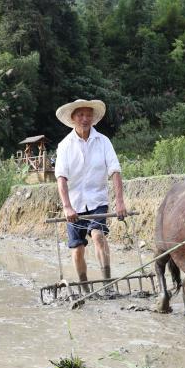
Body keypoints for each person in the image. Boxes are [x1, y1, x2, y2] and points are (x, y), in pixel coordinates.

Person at [54, 99, 127, 290]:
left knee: (98, 236)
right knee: (77, 249)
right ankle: (85, 288)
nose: (85, 119)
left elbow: (115, 171)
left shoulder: (103, 142)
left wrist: (120, 202)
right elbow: (61, 178)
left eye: (88, 115)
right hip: (75, 204)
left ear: (93, 118)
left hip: (97, 200)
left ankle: (107, 283)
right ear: (73, 118)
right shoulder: (65, 145)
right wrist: (67, 206)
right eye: (80, 115)